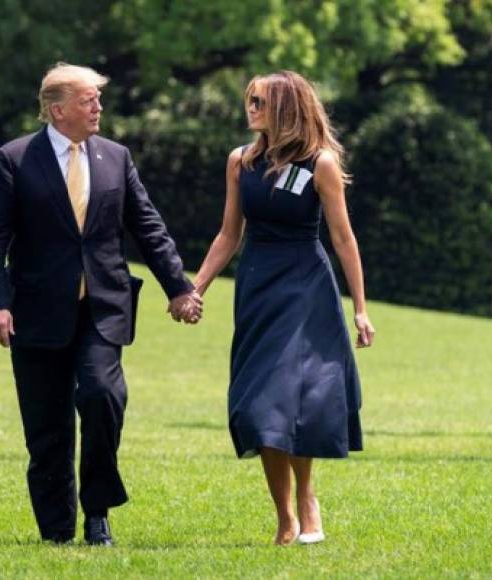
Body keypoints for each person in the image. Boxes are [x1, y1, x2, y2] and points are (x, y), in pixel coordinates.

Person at [0, 63, 202, 546]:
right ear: (57, 110)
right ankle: (56, 530)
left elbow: (147, 226)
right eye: (88, 100)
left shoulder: (116, 158)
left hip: (103, 308)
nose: (98, 107)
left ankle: (97, 512)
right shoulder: (13, 159)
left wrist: (178, 288)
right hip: (35, 311)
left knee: (101, 395)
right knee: (47, 426)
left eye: (98, 98)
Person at [190, 70, 376, 545]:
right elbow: (229, 234)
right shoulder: (239, 162)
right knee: (258, 403)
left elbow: (342, 239)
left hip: (305, 289)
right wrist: (198, 288)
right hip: (257, 287)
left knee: (296, 398)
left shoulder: (321, 164)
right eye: (249, 99)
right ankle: (284, 516)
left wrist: (360, 308)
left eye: (259, 101)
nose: (249, 107)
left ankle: (307, 499)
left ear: (286, 108)